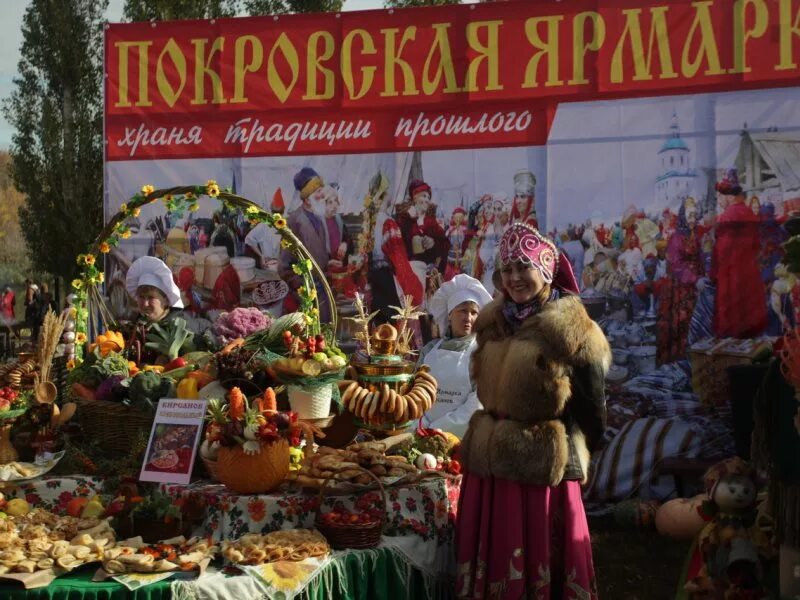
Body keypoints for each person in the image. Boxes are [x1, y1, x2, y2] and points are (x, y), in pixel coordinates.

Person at [456, 222, 610, 599]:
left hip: (544, 472)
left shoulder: (571, 330)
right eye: (507, 270)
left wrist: (568, 452)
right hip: (492, 470)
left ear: (544, 269)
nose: (514, 278)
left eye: (523, 267)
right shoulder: (494, 324)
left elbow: (593, 411)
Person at [414, 275, 492, 437]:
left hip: (461, 438)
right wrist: (421, 426)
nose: (468, 318)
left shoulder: (482, 353)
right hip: (420, 434)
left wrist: (437, 429)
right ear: (449, 314)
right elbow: (413, 393)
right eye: (463, 310)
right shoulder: (429, 351)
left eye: (474, 312)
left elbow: (478, 401)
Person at [125, 256, 184, 364]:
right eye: (141, 297)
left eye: (151, 297)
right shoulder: (133, 328)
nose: (145, 303)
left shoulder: (179, 330)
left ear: (166, 300)